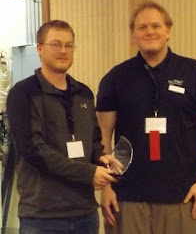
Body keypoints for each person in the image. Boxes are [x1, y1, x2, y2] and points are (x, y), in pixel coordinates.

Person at [96, 0, 196, 234]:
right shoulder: (115, 78)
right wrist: (106, 187)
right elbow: (102, 135)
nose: (149, 31)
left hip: (182, 196)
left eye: (156, 25)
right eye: (142, 27)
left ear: (168, 31)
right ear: (133, 34)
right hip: (127, 196)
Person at [7, 20, 122, 234]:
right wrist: (89, 172)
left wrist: (100, 157)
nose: (63, 51)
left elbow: (93, 140)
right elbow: (35, 151)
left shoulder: (84, 93)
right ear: (39, 48)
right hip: (42, 217)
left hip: (85, 214)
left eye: (69, 45)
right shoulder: (23, 94)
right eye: (56, 44)